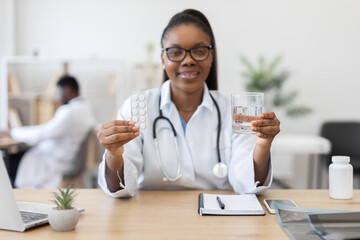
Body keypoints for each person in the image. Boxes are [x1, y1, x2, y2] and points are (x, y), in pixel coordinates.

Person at [97, 9, 280, 198]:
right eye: (176, 52)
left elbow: (247, 183)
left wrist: (264, 145)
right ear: (162, 59)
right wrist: (113, 155)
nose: (188, 60)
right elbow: (121, 188)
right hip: (152, 217)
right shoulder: (137, 107)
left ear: (211, 56)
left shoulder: (233, 111)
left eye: (199, 51)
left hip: (218, 216)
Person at [8, 75, 97, 188]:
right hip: (68, 158)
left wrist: (13, 132)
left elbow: (42, 133)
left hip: (56, 160)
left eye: (58, 93)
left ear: (67, 90)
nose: (57, 98)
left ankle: (17, 199)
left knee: (9, 162)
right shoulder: (85, 107)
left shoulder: (69, 112)